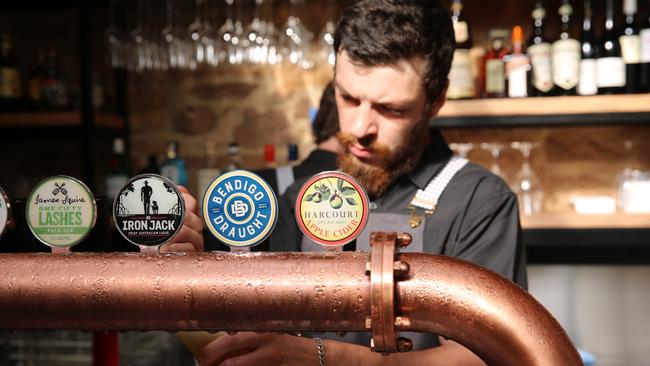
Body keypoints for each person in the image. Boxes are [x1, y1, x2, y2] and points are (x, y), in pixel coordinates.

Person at [195, 1, 527, 365]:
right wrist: (187, 262)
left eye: (391, 109)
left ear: (436, 100)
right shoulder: (300, 197)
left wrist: (324, 358)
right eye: (349, 98)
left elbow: (489, 354)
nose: (358, 129)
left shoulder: (479, 202)